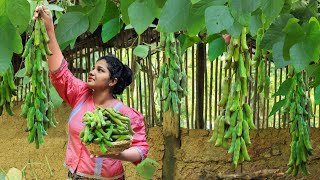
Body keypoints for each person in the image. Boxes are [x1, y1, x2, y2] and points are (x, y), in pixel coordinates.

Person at [33, 6, 149, 180]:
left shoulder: (124, 113)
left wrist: (117, 155)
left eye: (100, 70)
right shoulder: (80, 94)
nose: (92, 71)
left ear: (112, 81)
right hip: (74, 176)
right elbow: (59, 72)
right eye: (93, 67)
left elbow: (141, 149)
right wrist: (49, 28)